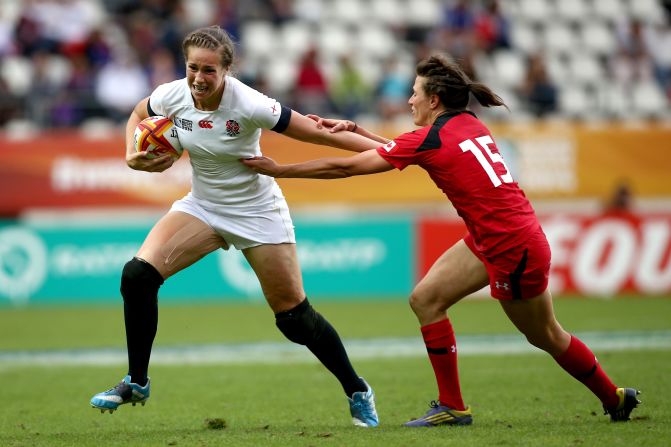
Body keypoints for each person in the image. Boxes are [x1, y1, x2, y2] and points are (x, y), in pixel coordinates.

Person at [242, 54, 641, 426]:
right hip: (496, 238)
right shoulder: (466, 125)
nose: (409, 99)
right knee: (426, 299)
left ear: (433, 100)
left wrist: (280, 170)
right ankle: (452, 406)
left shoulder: (431, 138)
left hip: (512, 249)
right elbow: (401, 150)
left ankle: (614, 397)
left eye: (414, 93)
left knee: (545, 334)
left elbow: (347, 168)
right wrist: (357, 130)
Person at [89, 25, 380, 428]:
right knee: (137, 276)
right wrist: (129, 154)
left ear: (227, 70)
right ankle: (136, 381)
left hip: (256, 211)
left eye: (209, 70)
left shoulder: (251, 103)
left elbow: (320, 135)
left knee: (294, 317)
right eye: (193, 68)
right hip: (203, 207)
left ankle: (356, 388)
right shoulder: (172, 94)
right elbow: (140, 114)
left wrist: (394, 152)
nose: (198, 78)